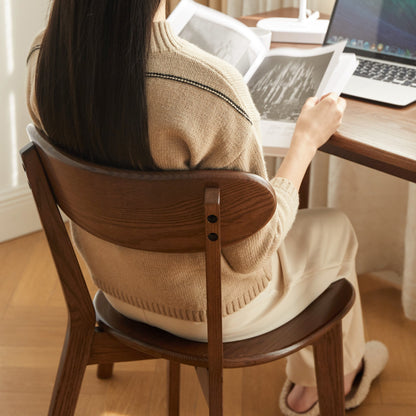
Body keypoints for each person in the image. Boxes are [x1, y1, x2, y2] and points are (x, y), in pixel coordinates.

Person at [26, 1, 388, 414]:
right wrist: (305, 142)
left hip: (115, 289)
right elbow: (252, 252)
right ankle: (329, 383)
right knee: (336, 227)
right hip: (211, 312)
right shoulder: (209, 87)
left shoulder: (45, 60)